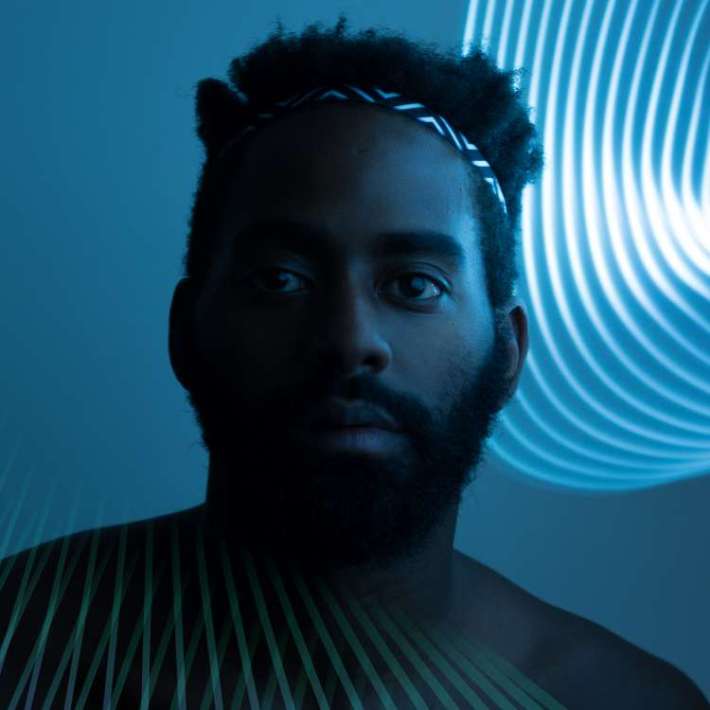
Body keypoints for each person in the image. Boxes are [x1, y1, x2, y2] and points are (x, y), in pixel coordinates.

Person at [1, 16, 707, 709]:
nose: (348, 338)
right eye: (282, 279)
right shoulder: (20, 640)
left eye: (414, 285)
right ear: (186, 331)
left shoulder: (616, 698)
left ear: (509, 353)